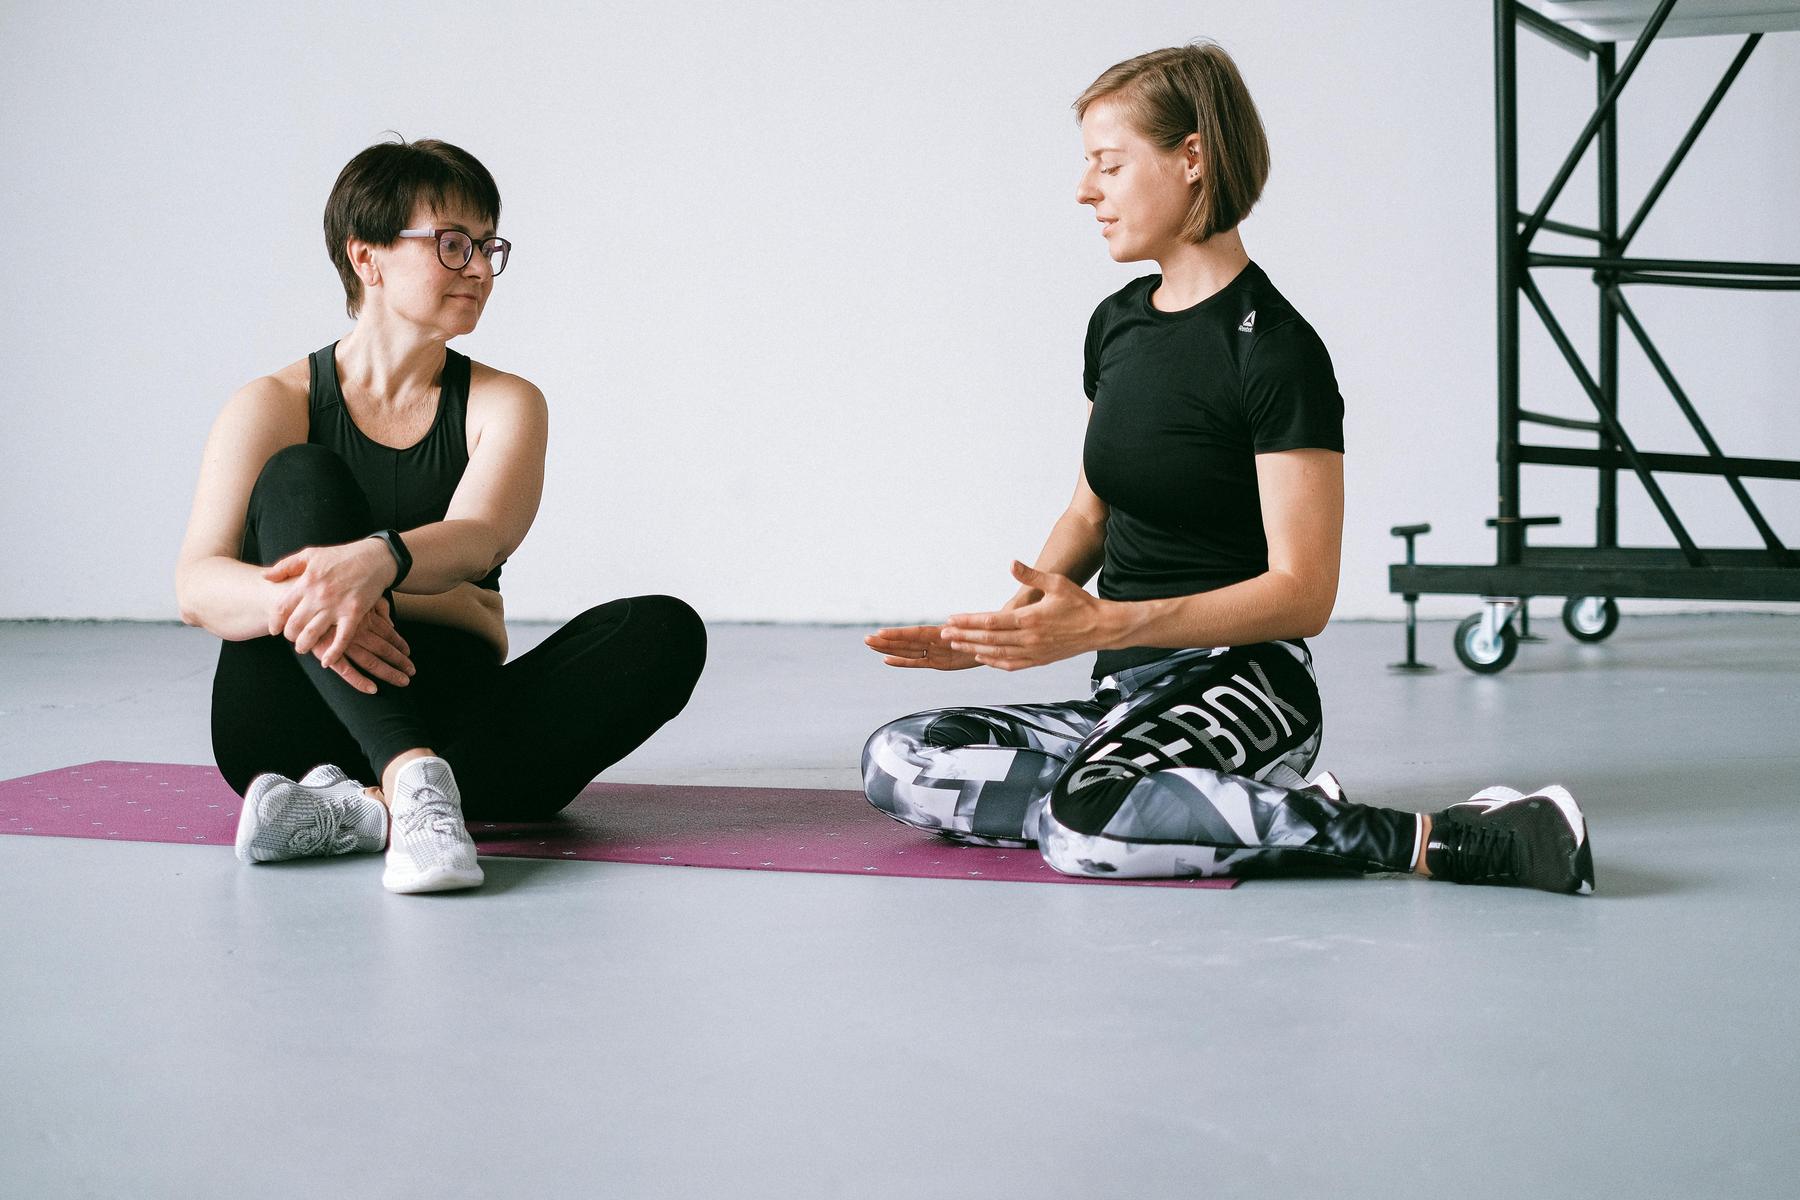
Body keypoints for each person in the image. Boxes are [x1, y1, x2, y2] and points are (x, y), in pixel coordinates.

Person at [861, 44, 1593, 893]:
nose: (1085, 191)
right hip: (1126, 697)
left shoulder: (1277, 352)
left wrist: (1107, 625)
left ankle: (1447, 840)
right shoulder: (1117, 324)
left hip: (1250, 680)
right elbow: (1088, 516)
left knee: (1082, 828)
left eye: (1109, 164)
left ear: (1193, 157)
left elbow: (1304, 593)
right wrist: (1001, 634)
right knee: (901, 760)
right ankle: (1194, 807)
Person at [176, 137, 706, 894]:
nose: (482, 270)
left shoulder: (505, 403)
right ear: (369, 258)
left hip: (458, 715)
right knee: (300, 476)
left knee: (663, 630)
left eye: (489, 247)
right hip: (290, 721)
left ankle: (363, 811)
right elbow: (198, 586)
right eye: (453, 246)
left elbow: (481, 535)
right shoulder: (274, 404)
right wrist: (311, 599)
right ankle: (415, 781)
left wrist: (373, 566)